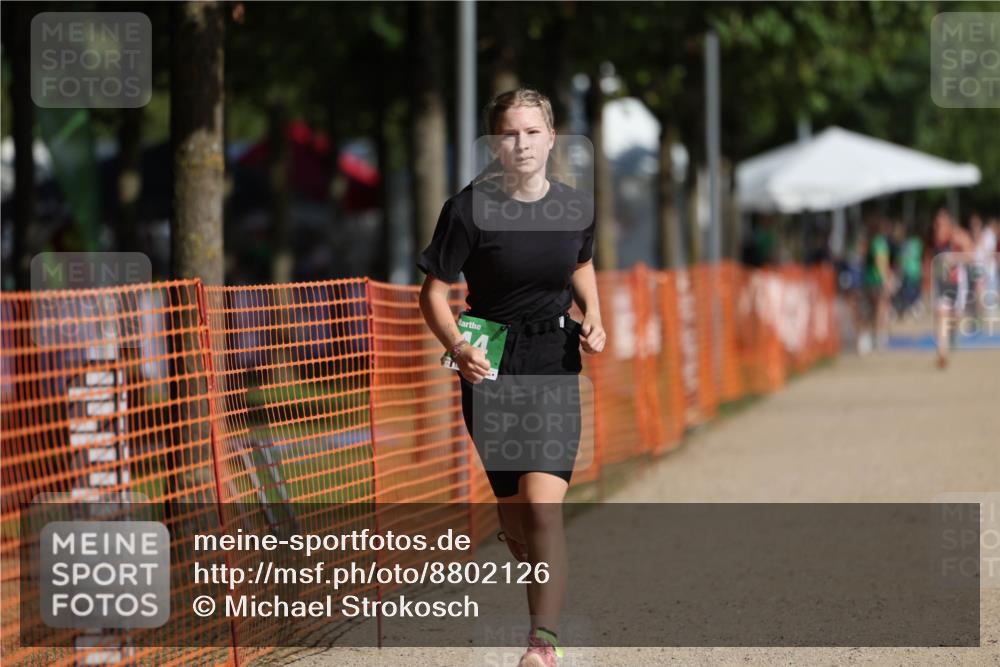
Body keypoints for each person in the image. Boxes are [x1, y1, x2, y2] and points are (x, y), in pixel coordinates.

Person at [417, 87, 606, 667]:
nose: (520, 143)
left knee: (542, 504)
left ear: (551, 137)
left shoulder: (575, 207)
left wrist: (593, 314)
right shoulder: (469, 209)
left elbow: (581, 262)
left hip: (553, 351)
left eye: (531, 132)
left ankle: (541, 644)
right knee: (515, 515)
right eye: (508, 133)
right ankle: (521, 545)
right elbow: (434, 293)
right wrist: (456, 346)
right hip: (486, 351)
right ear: (494, 142)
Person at [931, 207, 973, 369]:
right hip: (941, 283)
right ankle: (943, 353)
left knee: (955, 316)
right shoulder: (934, 238)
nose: (938, 225)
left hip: (957, 281)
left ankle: (953, 337)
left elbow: (970, 255)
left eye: (941, 221)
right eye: (937, 222)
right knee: (942, 315)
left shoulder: (958, 236)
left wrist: (954, 259)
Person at [860, 214, 893, 353]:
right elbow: (880, 262)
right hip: (876, 280)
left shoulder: (871, 241)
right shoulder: (879, 242)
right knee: (880, 309)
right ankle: (878, 337)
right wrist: (886, 280)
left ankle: (868, 338)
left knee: (871, 310)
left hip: (868, 279)